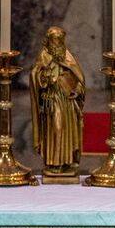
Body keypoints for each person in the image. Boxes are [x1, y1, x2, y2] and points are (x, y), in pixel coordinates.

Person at [30, 26, 86, 179]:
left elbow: (79, 78)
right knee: (56, 128)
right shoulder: (43, 57)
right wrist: (44, 79)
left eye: (60, 40)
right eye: (55, 40)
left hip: (67, 100)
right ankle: (54, 162)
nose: (57, 43)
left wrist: (78, 90)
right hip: (52, 98)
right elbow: (36, 76)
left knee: (68, 129)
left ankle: (67, 161)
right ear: (48, 41)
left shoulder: (67, 56)